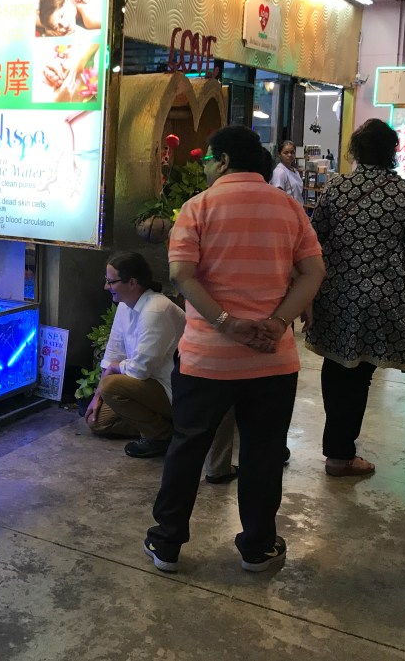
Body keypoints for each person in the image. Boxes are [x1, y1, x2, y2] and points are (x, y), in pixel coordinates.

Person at [143, 126, 324, 574]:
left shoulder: (197, 207)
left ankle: (167, 544)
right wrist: (277, 322)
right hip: (272, 358)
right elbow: (313, 271)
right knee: (263, 452)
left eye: (208, 160)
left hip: (207, 359)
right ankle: (257, 548)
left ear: (223, 160)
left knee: (187, 448)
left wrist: (226, 323)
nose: (205, 167)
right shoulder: (289, 208)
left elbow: (182, 274)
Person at [305, 119, 405, 478]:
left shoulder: (336, 188)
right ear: (393, 152)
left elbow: (315, 238)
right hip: (383, 297)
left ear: (356, 151)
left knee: (335, 366)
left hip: (336, 294)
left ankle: (337, 446)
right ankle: (340, 453)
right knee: (360, 375)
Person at [84, 251, 237, 479]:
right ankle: (171, 428)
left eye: (111, 281)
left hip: (171, 390)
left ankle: (160, 435)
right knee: (98, 421)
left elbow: (138, 370)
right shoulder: (125, 306)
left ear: (132, 282)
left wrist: (115, 369)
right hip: (147, 386)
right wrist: (97, 396)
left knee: (111, 386)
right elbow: (114, 353)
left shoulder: (156, 309)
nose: (106, 287)